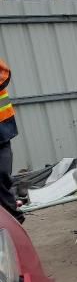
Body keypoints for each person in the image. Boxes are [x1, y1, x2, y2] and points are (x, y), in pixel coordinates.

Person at [0, 57, 23, 223]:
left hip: (1, 129)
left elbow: (4, 74)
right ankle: (14, 217)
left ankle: (13, 217)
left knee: (2, 174)